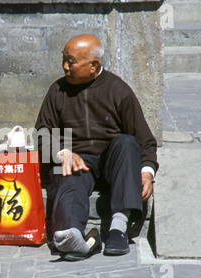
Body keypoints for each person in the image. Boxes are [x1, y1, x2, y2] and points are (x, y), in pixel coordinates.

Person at [34, 34, 158, 261]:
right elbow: (43, 134)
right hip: (79, 163)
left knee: (126, 142)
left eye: (71, 61)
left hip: (114, 165)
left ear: (94, 66)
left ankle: (118, 229)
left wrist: (146, 172)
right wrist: (63, 153)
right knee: (65, 169)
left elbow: (145, 139)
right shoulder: (57, 91)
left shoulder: (118, 90)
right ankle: (74, 235)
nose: (65, 67)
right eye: (64, 59)